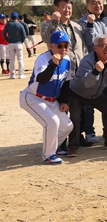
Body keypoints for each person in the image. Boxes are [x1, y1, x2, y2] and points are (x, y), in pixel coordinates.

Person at [19, 30, 74, 164]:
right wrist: (53, 64)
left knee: (67, 126)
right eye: (59, 46)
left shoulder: (67, 60)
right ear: (51, 46)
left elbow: (66, 83)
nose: (63, 49)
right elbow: (42, 79)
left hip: (52, 100)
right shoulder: (43, 59)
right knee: (52, 122)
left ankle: (53, 148)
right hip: (33, 97)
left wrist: (64, 101)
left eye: (66, 46)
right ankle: (48, 155)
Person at [67, 35, 107, 156]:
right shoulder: (86, 61)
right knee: (75, 117)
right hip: (77, 94)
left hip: (96, 95)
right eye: (103, 46)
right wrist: (96, 71)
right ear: (95, 48)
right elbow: (87, 83)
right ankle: (73, 147)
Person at [77, 0, 107, 144]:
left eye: (100, 2)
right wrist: (90, 24)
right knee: (89, 101)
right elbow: (88, 42)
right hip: (92, 65)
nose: (97, 5)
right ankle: (90, 131)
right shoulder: (82, 22)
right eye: (93, 2)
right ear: (87, 5)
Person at [3, 12, 27, 79]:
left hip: (11, 43)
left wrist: (8, 40)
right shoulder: (20, 25)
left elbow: (4, 34)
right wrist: (21, 41)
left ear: (11, 17)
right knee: (20, 59)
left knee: (11, 59)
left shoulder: (8, 25)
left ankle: (12, 75)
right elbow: (24, 35)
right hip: (18, 43)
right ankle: (21, 74)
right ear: (17, 18)